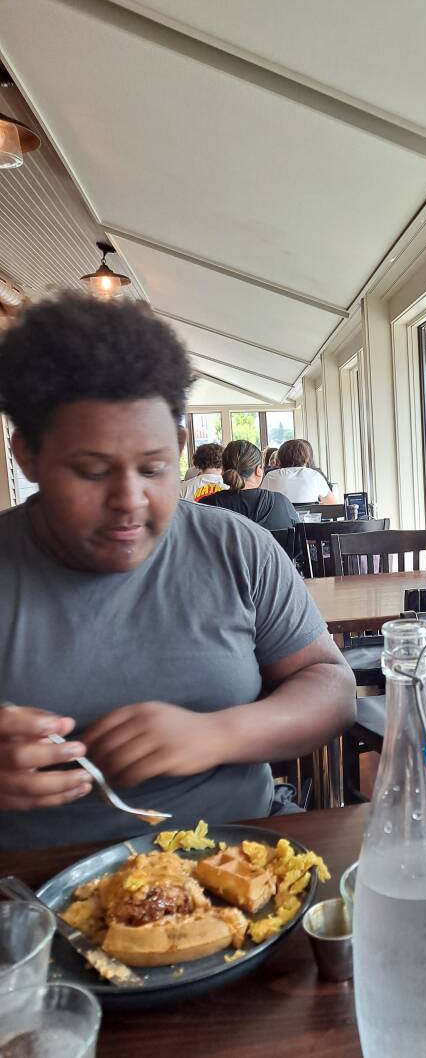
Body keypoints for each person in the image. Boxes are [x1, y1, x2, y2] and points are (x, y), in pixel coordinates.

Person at [0, 294, 355, 850]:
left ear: (181, 446)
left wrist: (217, 733)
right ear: (27, 456)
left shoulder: (238, 548)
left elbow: (331, 687)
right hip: (36, 881)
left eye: (153, 467)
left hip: (242, 860)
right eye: (90, 471)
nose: (129, 500)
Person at [199, 440, 298, 531]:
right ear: (258, 470)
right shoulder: (280, 502)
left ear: (223, 470)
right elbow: (299, 540)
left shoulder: (206, 506)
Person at [265, 439, 337, 504]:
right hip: (308, 514)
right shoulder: (314, 475)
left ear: (279, 458)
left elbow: (261, 500)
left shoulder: (271, 476)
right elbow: (332, 503)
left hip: (280, 514)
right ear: (306, 458)